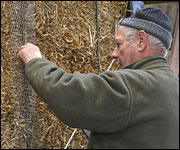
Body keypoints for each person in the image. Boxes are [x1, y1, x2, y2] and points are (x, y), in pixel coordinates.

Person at [18, 7, 179, 149]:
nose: (113, 54)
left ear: (141, 41)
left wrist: (35, 62)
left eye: (119, 44)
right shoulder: (174, 86)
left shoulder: (134, 84)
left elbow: (70, 93)